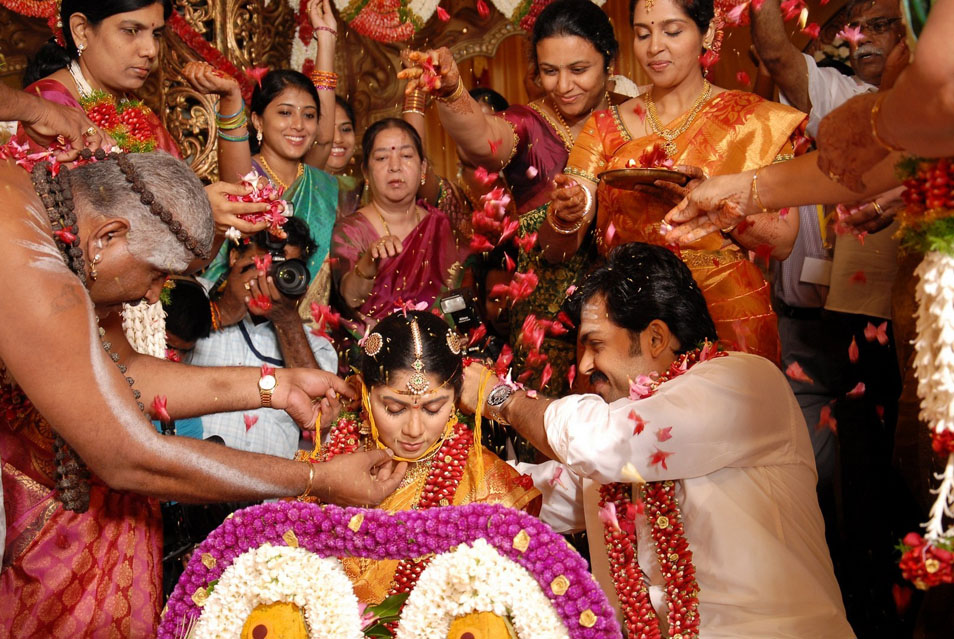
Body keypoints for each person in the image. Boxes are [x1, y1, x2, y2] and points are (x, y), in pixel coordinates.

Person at [0, 150, 405, 637]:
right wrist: (315, 479)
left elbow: (127, 372)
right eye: (157, 273)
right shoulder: (33, 268)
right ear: (109, 235)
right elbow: (130, 458)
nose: (154, 296)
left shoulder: (62, 234)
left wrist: (275, 385)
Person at [460, 242, 854, 637]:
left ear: (655, 338)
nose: (585, 366)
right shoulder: (612, 444)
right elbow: (531, 494)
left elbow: (600, 444)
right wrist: (434, 454)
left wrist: (500, 399)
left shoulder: (745, 382)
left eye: (596, 345)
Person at [555, 0, 806, 364]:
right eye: (643, 34)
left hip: (726, 312)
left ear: (708, 32)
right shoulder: (605, 126)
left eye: (672, 31)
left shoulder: (757, 121)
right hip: (628, 318)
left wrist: (719, 207)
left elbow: (783, 241)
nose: (654, 46)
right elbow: (570, 227)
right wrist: (567, 213)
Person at [399, 0, 623, 396]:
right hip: (548, 324)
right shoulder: (528, 124)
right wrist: (452, 92)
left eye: (579, 70)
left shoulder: (635, 120)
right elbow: (483, 139)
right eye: (550, 71)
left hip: (627, 309)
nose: (564, 86)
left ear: (610, 63)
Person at [298, 310, 539, 634]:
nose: (414, 429)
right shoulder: (329, 461)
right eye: (394, 408)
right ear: (363, 392)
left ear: (457, 398)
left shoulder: (485, 484)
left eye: (432, 408)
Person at [185, 0, 340, 292]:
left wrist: (326, 37)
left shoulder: (315, 179)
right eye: (285, 113)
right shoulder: (248, 177)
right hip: (243, 307)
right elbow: (239, 184)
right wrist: (231, 97)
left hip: (305, 311)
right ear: (257, 120)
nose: (298, 124)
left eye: (309, 115)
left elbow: (325, 138)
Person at [189, 218, 338, 458]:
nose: (272, 278)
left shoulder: (316, 346)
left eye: (286, 270)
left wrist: (286, 321)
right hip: (189, 467)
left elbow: (320, 419)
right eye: (266, 263)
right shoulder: (194, 295)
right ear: (235, 257)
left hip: (267, 479)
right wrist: (222, 311)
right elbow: (160, 345)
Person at [330, 118, 460, 333]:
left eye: (406, 156)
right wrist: (369, 261)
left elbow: (453, 298)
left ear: (423, 168)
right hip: (372, 345)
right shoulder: (350, 230)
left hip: (434, 344)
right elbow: (350, 298)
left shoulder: (439, 225)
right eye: (382, 158)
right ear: (366, 172)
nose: (395, 167)